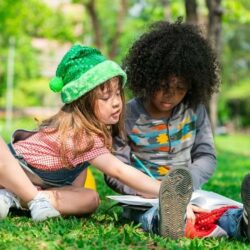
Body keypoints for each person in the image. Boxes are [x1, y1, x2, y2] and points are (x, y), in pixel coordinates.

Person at [0, 45, 190, 223]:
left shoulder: (91, 135)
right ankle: (29, 197)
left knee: (90, 198)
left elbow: (75, 187)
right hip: (11, 170)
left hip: (38, 185)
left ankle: (18, 197)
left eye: (117, 93)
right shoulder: (81, 135)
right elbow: (119, 170)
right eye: (106, 97)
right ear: (83, 102)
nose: (116, 102)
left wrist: (150, 190)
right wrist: (165, 190)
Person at [104, 20, 250, 241]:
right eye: (162, 87)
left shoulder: (195, 110)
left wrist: (185, 183)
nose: (170, 95)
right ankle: (168, 220)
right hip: (146, 200)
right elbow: (115, 170)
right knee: (153, 215)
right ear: (148, 77)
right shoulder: (127, 115)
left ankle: (243, 223)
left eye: (180, 88)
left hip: (192, 194)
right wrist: (144, 189)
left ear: (192, 85)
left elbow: (206, 155)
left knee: (217, 213)